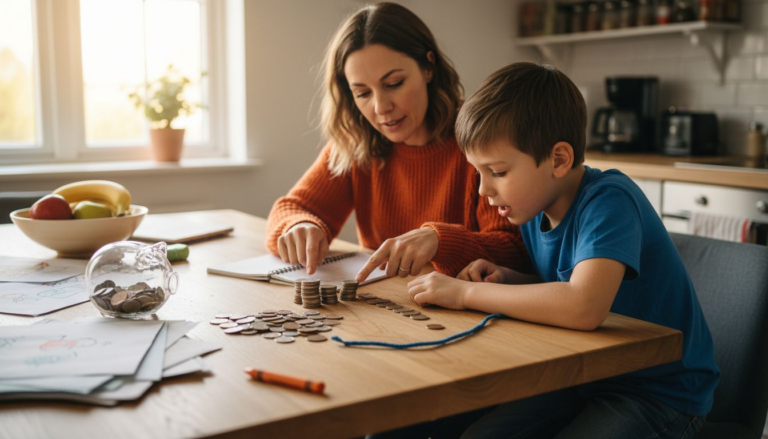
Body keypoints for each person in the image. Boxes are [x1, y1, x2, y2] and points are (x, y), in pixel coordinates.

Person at [404, 62, 720, 438]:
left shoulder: (609, 201)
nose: (482, 191)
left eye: (498, 172)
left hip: (657, 392)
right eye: (478, 173)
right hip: (584, 375)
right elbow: (561, 284)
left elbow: (583, 305)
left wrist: (465, 293)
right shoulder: (535, 211)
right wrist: (509, 280)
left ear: (558, 159)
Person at [266, 3, 530, 281]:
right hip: (386, 308)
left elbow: (515, 250)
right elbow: (290, 209)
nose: (380, 107)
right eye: (363, 93)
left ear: (428, 67)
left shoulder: (480, 137)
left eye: (394, 84)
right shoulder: (357, 142)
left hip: (464, 309)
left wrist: (439, 240)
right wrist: (300, 225)